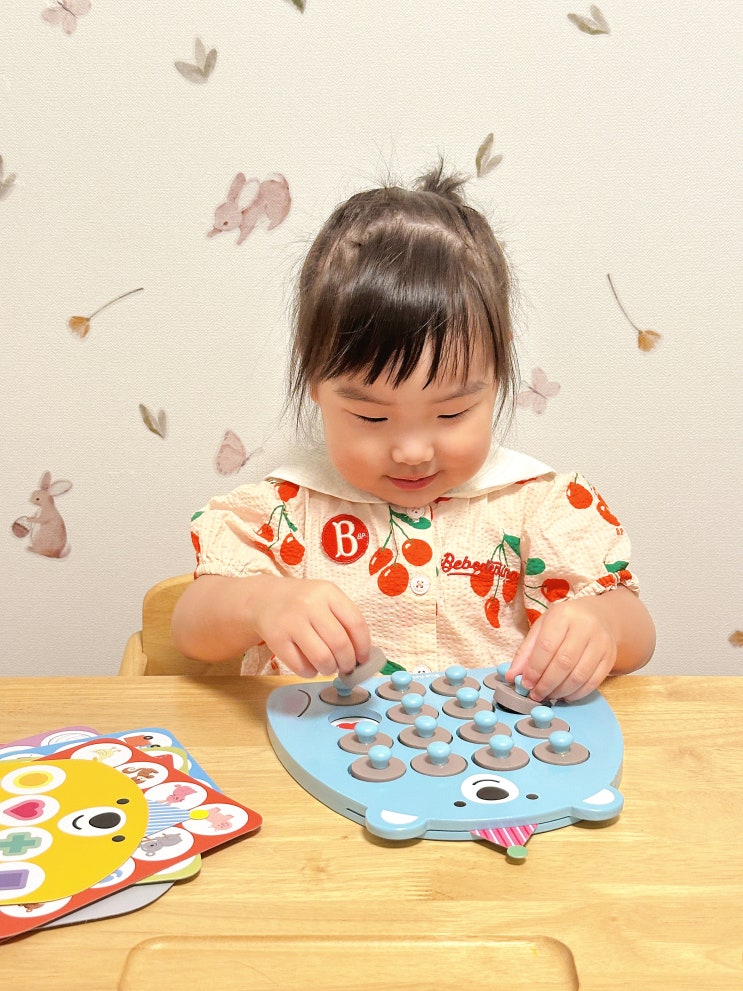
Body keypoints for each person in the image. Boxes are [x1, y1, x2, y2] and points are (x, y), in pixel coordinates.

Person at [172, 163, 655, 701]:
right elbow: (191, 629)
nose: (412, 451)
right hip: (319, 750)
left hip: (495, 751)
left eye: (452, 414)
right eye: (371, 418)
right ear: (313, 380)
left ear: (498, 372)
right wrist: (258, 603)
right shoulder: (286, 511)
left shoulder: (537, 506)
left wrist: (601, 625)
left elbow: (636, 634)